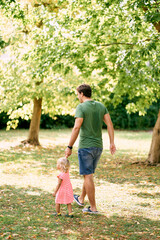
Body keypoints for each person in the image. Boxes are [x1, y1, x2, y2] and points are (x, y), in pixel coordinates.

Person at [65, 84, 116, 214]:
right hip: (98, 146)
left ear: (82, 94)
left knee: (88, 176)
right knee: (89, 174)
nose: (77, 96)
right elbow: (109, 124)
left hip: (86, 147)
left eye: (77, 94)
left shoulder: (81, 107)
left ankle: (93, 208)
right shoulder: (101, 106)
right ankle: (81, 199)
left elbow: (76, 128)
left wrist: (69, 146)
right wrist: (112, 142)